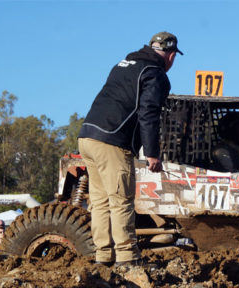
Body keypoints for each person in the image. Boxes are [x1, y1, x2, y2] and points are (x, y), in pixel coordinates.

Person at [78, 32, 182, 266]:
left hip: (87, 136)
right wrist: (153, 153)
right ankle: (127, 259)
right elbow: (148, 113)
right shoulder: (154, 74)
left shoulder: (122, 64)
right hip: (112, 141)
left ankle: (103, 256)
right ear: (171, 55)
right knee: (121, 200)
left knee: (101, 201)